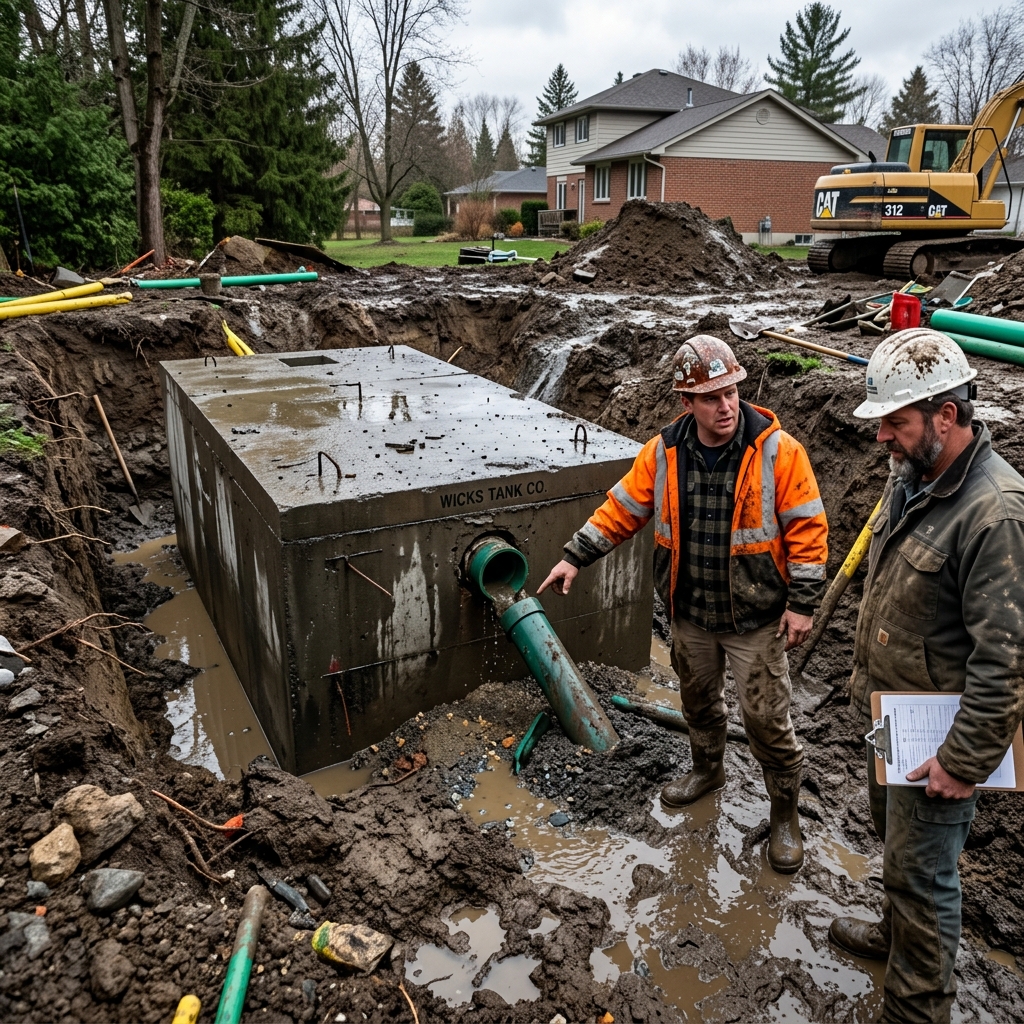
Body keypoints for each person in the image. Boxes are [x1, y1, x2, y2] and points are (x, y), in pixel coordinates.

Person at [538, 335, 828, 873]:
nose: (726, 406)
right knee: (698, 704)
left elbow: (808, 529)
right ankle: (708, 771)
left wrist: (804, 604)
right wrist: (575, 557)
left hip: (755, 617)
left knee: (766, 720)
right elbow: (622, 509)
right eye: (712, 397)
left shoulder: (779, 451)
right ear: (686, 401)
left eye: (732, 392)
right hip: (691, 612)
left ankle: (784, 815)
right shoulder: (663, 453)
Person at [829, 328, 1024, 1023]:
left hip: (938, 742)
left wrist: (962, 762)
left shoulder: (996, 514)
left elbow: (1006, 658)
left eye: (896, 422)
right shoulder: (913, 475)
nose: (882, 436)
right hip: (894, 721)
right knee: (895, 846)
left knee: (924, 877)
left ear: (947, 414)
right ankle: (894, 935)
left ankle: (916, 1009)